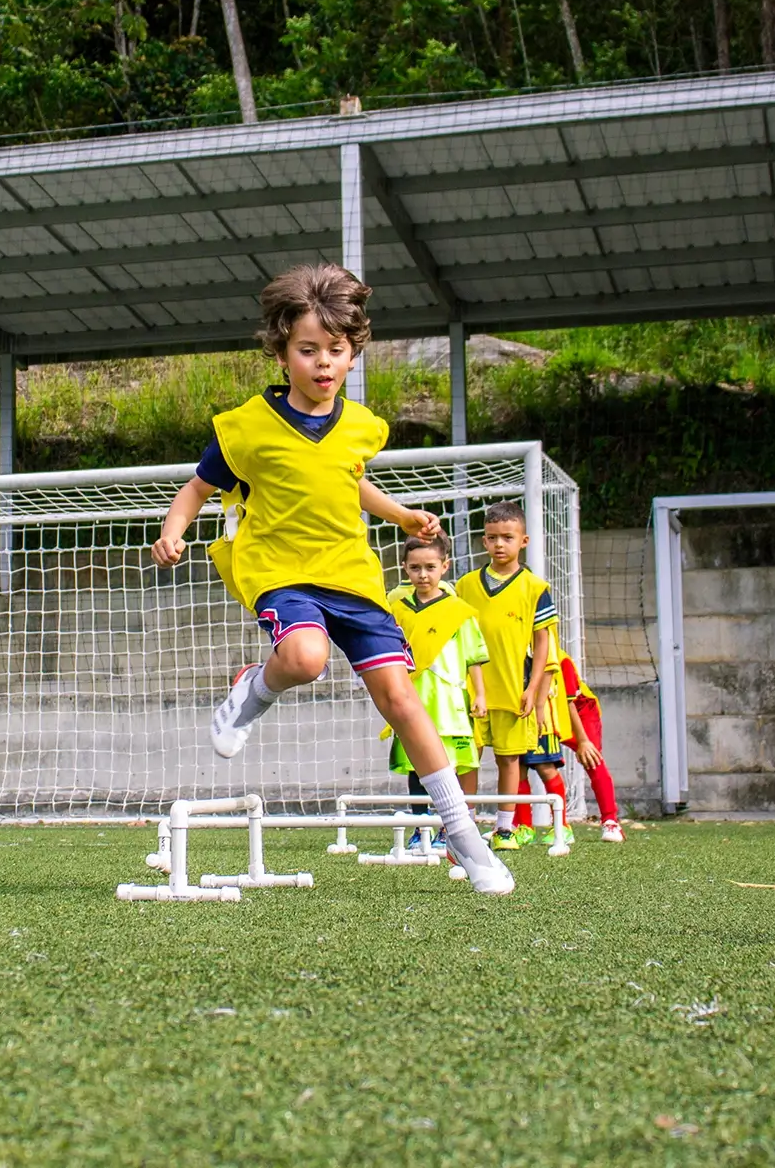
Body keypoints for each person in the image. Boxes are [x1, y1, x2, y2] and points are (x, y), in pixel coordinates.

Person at [150, 263, 514, 896]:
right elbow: (198, 486)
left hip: (351, 573)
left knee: (403, 701)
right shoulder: (246, 429)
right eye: (308, 350)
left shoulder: (359, 427)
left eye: (336, 351)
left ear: (353, 354)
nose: (323, 363)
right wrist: (175, 529)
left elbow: (350, 481)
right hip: (280, 569)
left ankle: (465, 838)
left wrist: (401, 514)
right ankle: (253, 692)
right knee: (306, 656)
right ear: (282, 352)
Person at [455, 499, 571, 854]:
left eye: (507, 537)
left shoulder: (535, 587)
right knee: (467, 758)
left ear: (524, 541)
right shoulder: (465, 585)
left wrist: (534, 690)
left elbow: (543, 644)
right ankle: (466, 826)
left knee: (509, 759)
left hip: (512, 688)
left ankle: (505, 828)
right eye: (492, 537)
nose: (499, 544)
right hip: (472, 691)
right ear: (484, 541)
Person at [384, 533, 488, 851]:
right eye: (415, 568)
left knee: (450, 766)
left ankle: (449, 828)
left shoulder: (459, 611)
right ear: (405, 568)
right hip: (413, 699)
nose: (423, 575)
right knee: (417, 764)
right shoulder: (398, 609)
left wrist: (480, 694)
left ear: (445, 566)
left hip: (450, 703)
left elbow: (473, 657)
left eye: (430, 567)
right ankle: (421, 828)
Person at [498, 640, 625, 844]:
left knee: (591, 759)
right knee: (520, 763)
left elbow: (569, 701)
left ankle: (610, 821)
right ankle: (522, 825)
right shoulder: (516, 652)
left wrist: (583, 740)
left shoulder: (560, 659)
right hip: (544, 714)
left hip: (579, 714)